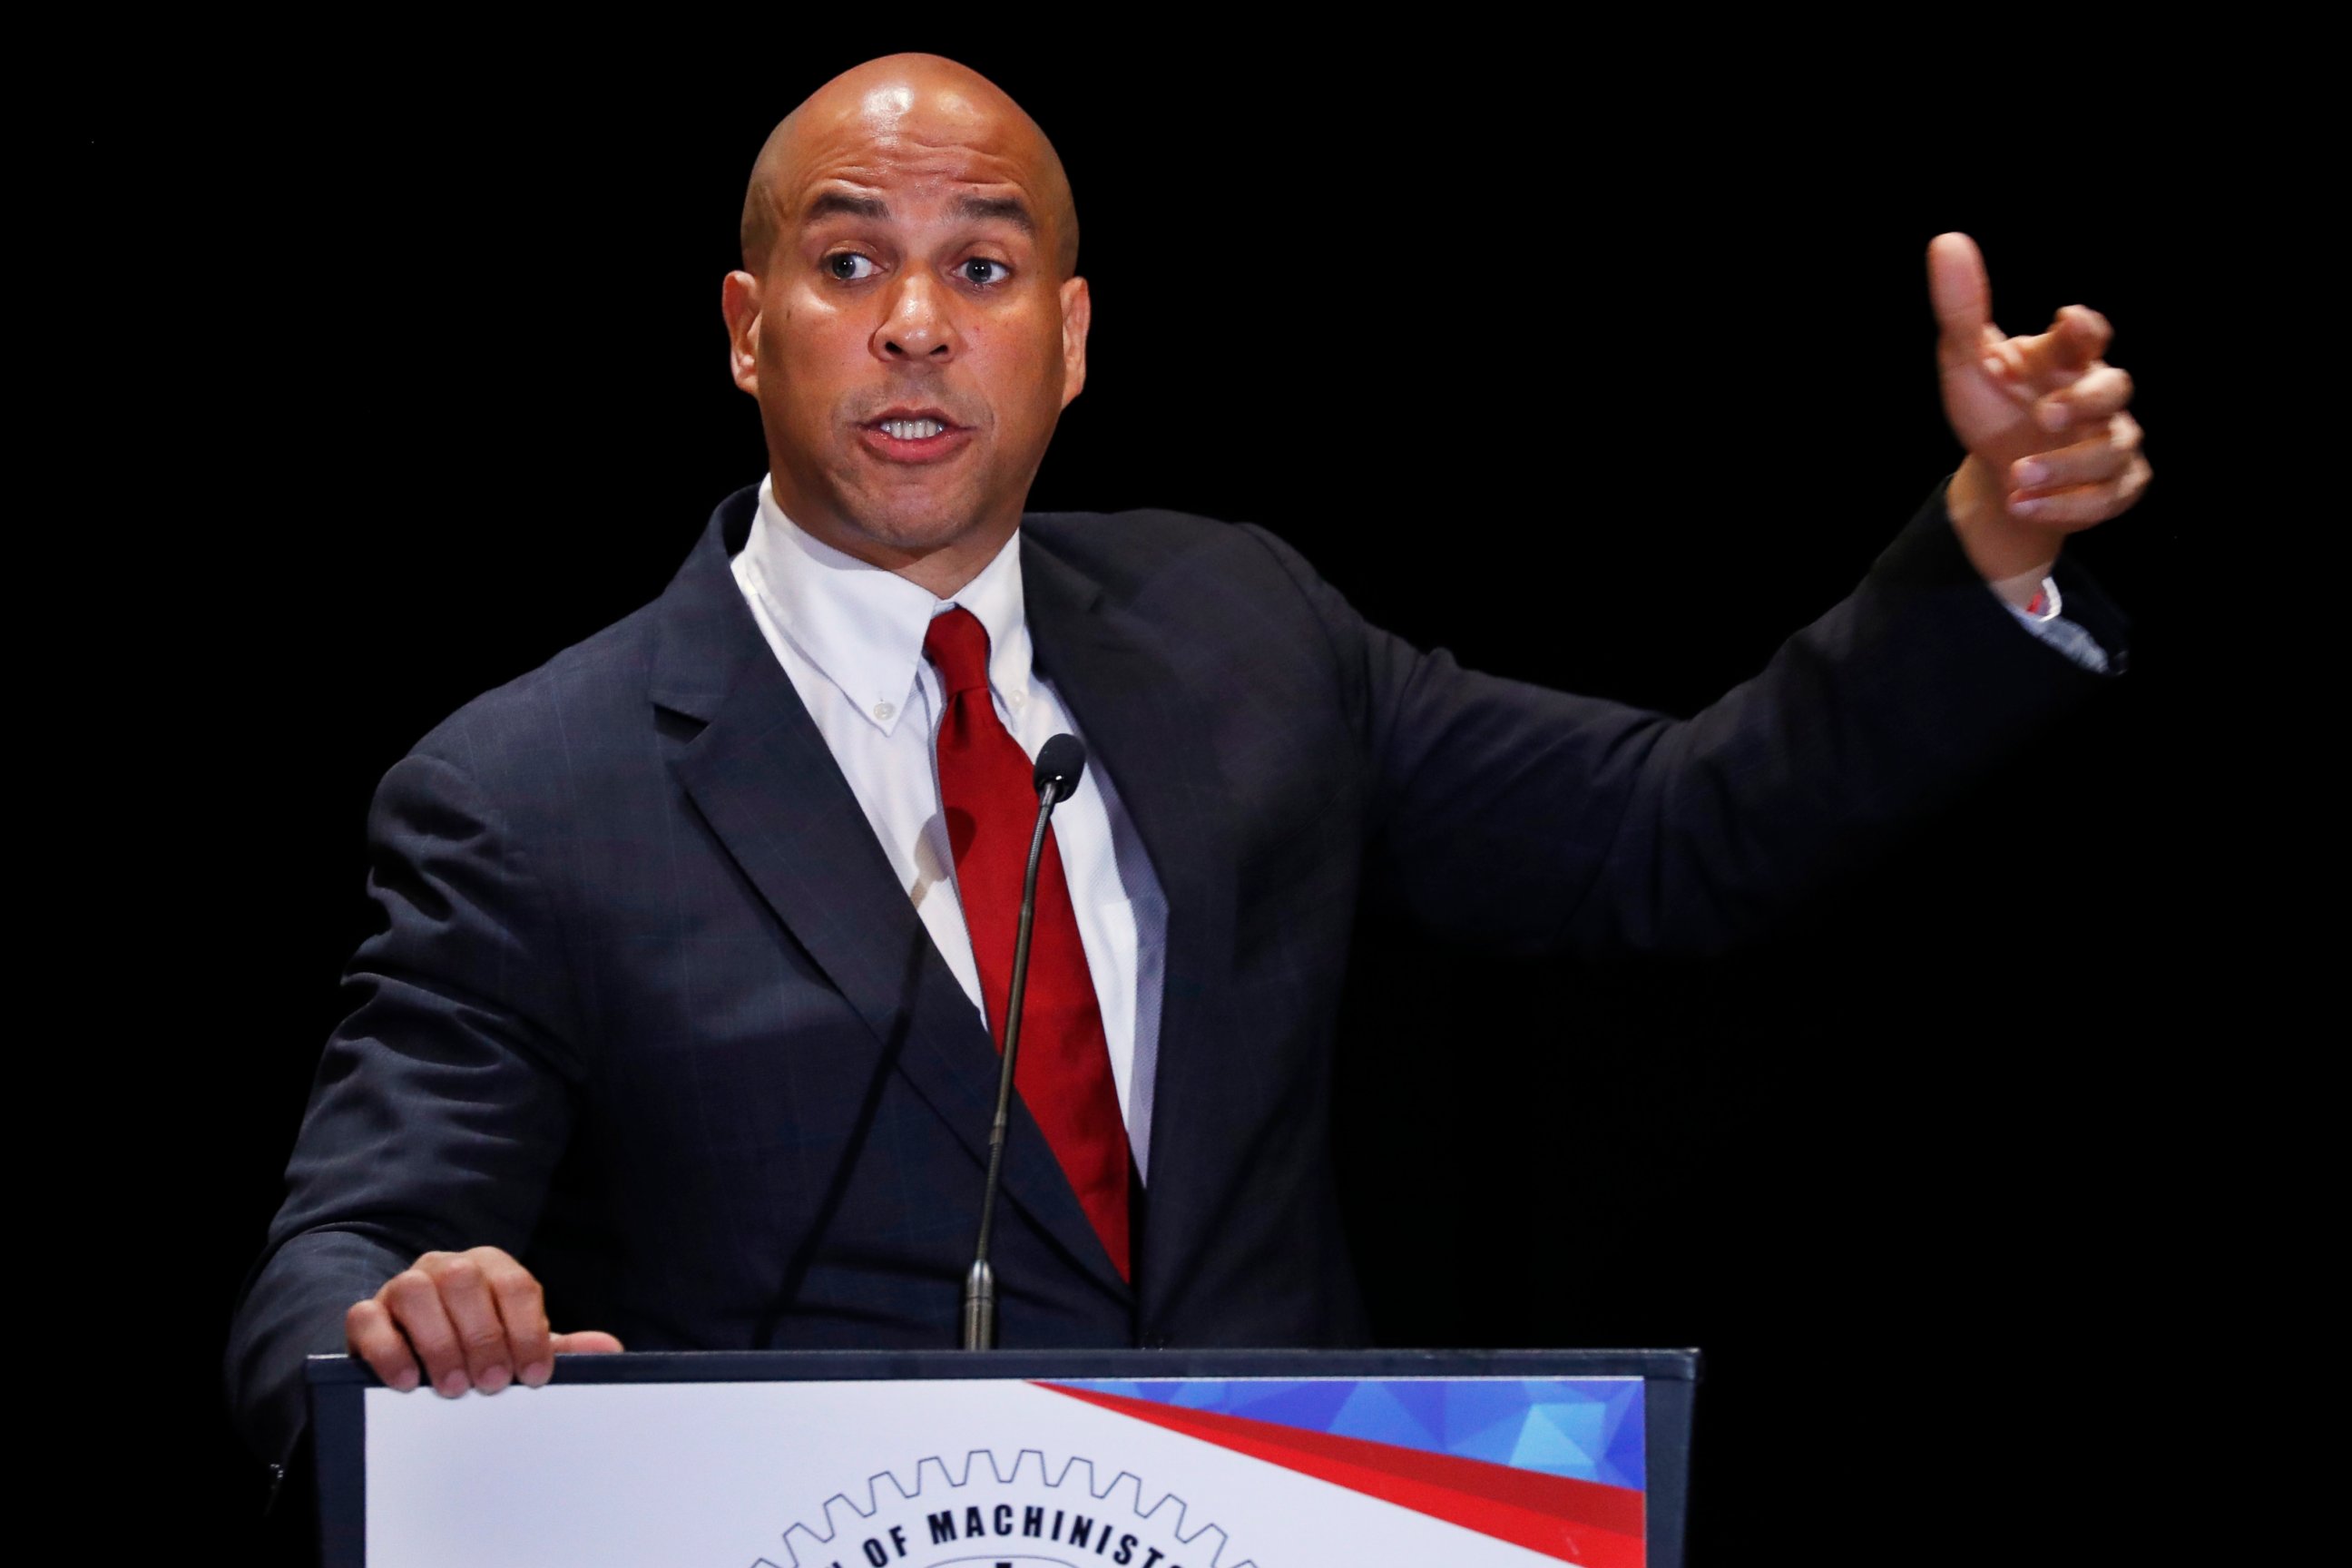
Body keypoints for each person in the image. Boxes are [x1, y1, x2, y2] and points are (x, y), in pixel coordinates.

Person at [224, 53, 2150, 1465]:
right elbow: (335, 1269)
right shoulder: (530, 787)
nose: (912, 326)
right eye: (845, 266)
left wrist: (1988, 548)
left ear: (1067, 342)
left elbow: (1680, 834)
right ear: (747, 333)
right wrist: (401, 1330)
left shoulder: (1242, 632)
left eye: (981, 274)